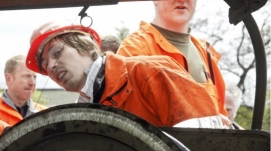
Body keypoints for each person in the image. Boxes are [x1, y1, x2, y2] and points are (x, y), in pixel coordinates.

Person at [26, 21, 228, 128]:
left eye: (57, 53)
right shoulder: (85, 113)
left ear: (86, 46)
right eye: (44, 66)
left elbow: (210, 148)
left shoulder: (150, 73)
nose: (51, 66)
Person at [117, 0, 228, 119]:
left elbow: (222, 119)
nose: (182, 0)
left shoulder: (206, 54)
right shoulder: (134, 48)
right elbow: (128, 121)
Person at [0, 55, 47, 125]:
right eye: (27, 76)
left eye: (34, 77)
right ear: (9, 79)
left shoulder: (45, 113)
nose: (32, 83)